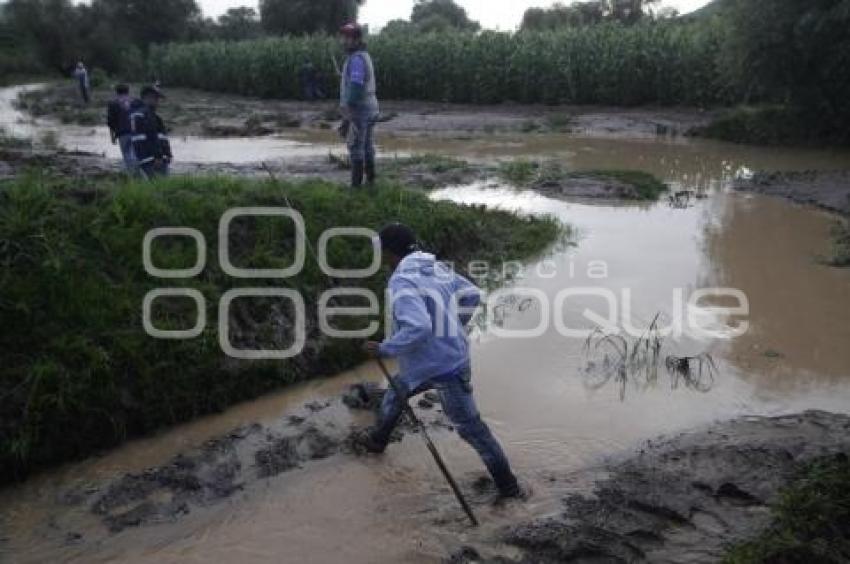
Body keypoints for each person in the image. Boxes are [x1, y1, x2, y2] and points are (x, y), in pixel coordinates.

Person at [360, 223, 523, 499]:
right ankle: (377, 441)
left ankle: (509, 488)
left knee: (473, 430)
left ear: (389, 252)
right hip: (438, 361)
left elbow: (418, 327)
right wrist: (453, 327)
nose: (381, 259)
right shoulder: (435, 267)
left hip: (444, 368)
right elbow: (472, 294)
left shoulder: (402, 280)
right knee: (396, 392)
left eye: (382, 253)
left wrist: (385, 348)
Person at [338, 23, 379, 188]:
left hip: (360, 109)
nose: (344, 41)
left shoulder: (356, 60)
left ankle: (356, 187)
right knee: (367, 145)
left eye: (348, 38)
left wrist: (347, 111)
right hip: (371, 106)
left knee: (356, 146)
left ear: (356, 39)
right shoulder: (363, 56)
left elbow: (356, 85)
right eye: (344, 37)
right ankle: (371, 182)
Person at [130, 86, 172, 179]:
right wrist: (158, 156)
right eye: (156, 99)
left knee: (153, 184)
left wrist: (168, 154)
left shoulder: (136, 114)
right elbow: (152, 135)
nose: (158, 102)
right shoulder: (147, 114)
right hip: (153, 159)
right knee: (162, 185)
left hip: (144, 157)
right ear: (147, 98)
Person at [106, 84, 138, 172]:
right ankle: (138, 175)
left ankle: (131, 175)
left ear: (116, 92)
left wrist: (112, 136)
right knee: (136, 154)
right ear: (128, 91)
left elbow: (111, 121)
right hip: (136, 132)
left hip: (122, 133)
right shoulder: (135, 101)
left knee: (126, 155)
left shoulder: (113, 103)